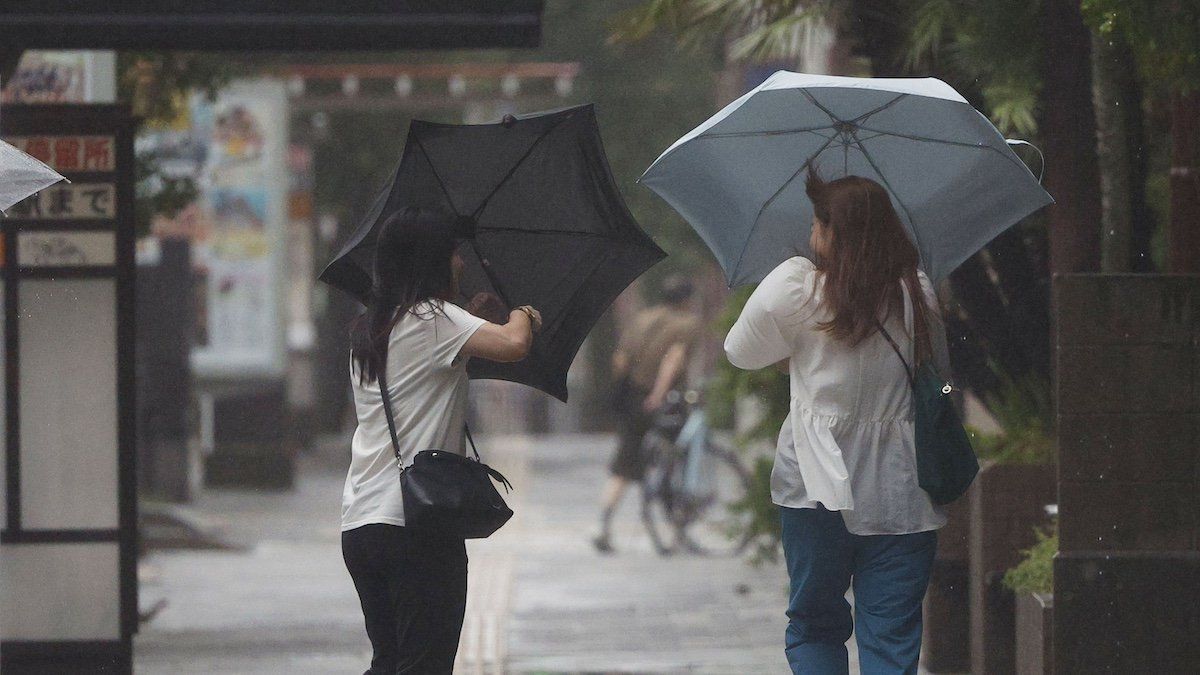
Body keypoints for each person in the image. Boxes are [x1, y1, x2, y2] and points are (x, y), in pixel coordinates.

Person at [724, 170, 952, 675]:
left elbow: (739, 352)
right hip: (901, 490)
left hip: (813, 485)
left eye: (816, 224)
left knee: (814, 625)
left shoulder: (794, 290)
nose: (810, 235)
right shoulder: (916, 292)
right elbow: (936, 370)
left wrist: (793, 356)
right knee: (892, 638)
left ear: (832, 232)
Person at [341, 206, 542, 674]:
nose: (461, 262)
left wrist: (469, 319)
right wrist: (524, 313)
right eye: (453, 253)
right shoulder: (432, 318)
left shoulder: (372, 327)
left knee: (389, 662)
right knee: (425, 666)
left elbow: (424, 367)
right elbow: (514, 344)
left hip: (362, 522)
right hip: (417, 526)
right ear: (431, 259)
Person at [592, 275, 699, 554]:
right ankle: (675, 518)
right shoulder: (686, 324)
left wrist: (623, 392)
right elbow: (673, 360)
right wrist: (658, 394)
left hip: (632, 398)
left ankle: (603, 524)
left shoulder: (641, 319)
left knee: (625, 461)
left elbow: (621, 359)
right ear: (687, 300)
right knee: (678, 455)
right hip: (663, 401)